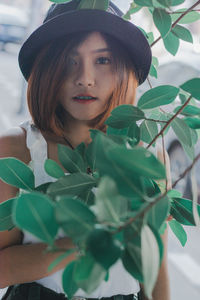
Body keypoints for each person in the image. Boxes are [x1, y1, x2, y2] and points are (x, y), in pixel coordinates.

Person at [0, 1, 170, 299]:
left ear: (123, 69)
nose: (85, 78)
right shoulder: (18, 151)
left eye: (102, 60)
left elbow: (154, 266)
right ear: (47, 68)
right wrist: (84, 242)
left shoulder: (148, 155)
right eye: (69, 60)